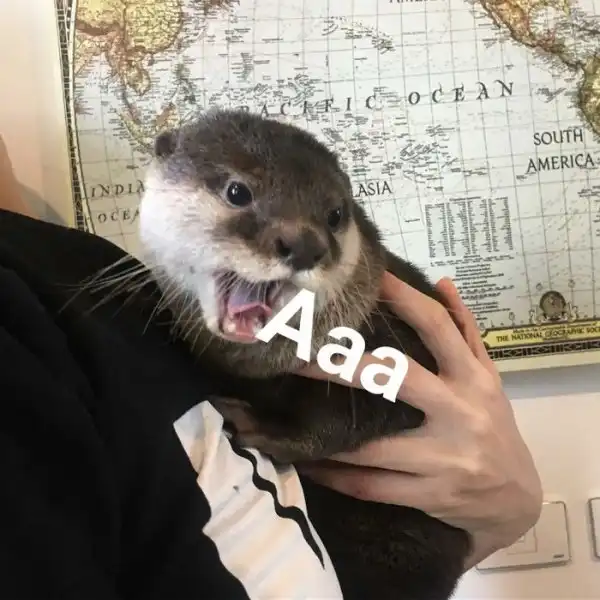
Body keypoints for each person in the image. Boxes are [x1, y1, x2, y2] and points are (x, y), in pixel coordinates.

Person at [0, 136, 542, 599]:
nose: (301, 243)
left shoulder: (76, 278)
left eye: (332, 220)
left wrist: (502, 509)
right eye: (238, 194)